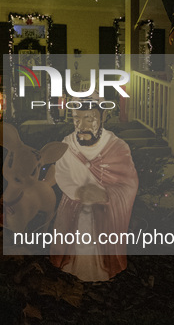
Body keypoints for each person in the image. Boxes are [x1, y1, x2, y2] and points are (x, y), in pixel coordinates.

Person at [50, 105, 138, 282]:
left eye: (89, 119)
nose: (82, 125)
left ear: (103, 117)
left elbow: (129, 183)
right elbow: (61, 173)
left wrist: (106, 195)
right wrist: (77, 191)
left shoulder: (118, 147)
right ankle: (70, 267)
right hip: (73, 208)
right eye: (77, 119)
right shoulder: (67, 145)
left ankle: (101, 270)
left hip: (103, 212)